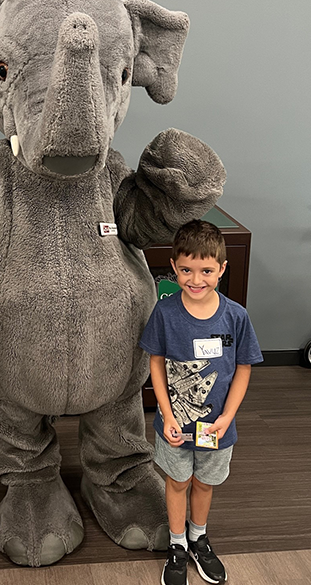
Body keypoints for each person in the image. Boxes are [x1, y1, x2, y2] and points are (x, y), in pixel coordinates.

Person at [139, 219, 263, 585]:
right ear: (174, 267)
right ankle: (176, 545)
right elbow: (156, 362)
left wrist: (228, 416)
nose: (196, 279)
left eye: (207, 270)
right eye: (187, 270)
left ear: (222, 269)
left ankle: (198, 538)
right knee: (178, 481)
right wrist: (165, 412)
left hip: (216, 428)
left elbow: (243, 367)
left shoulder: (236, 317)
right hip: (175, 425)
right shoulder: (164, 313)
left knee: (204, 484)